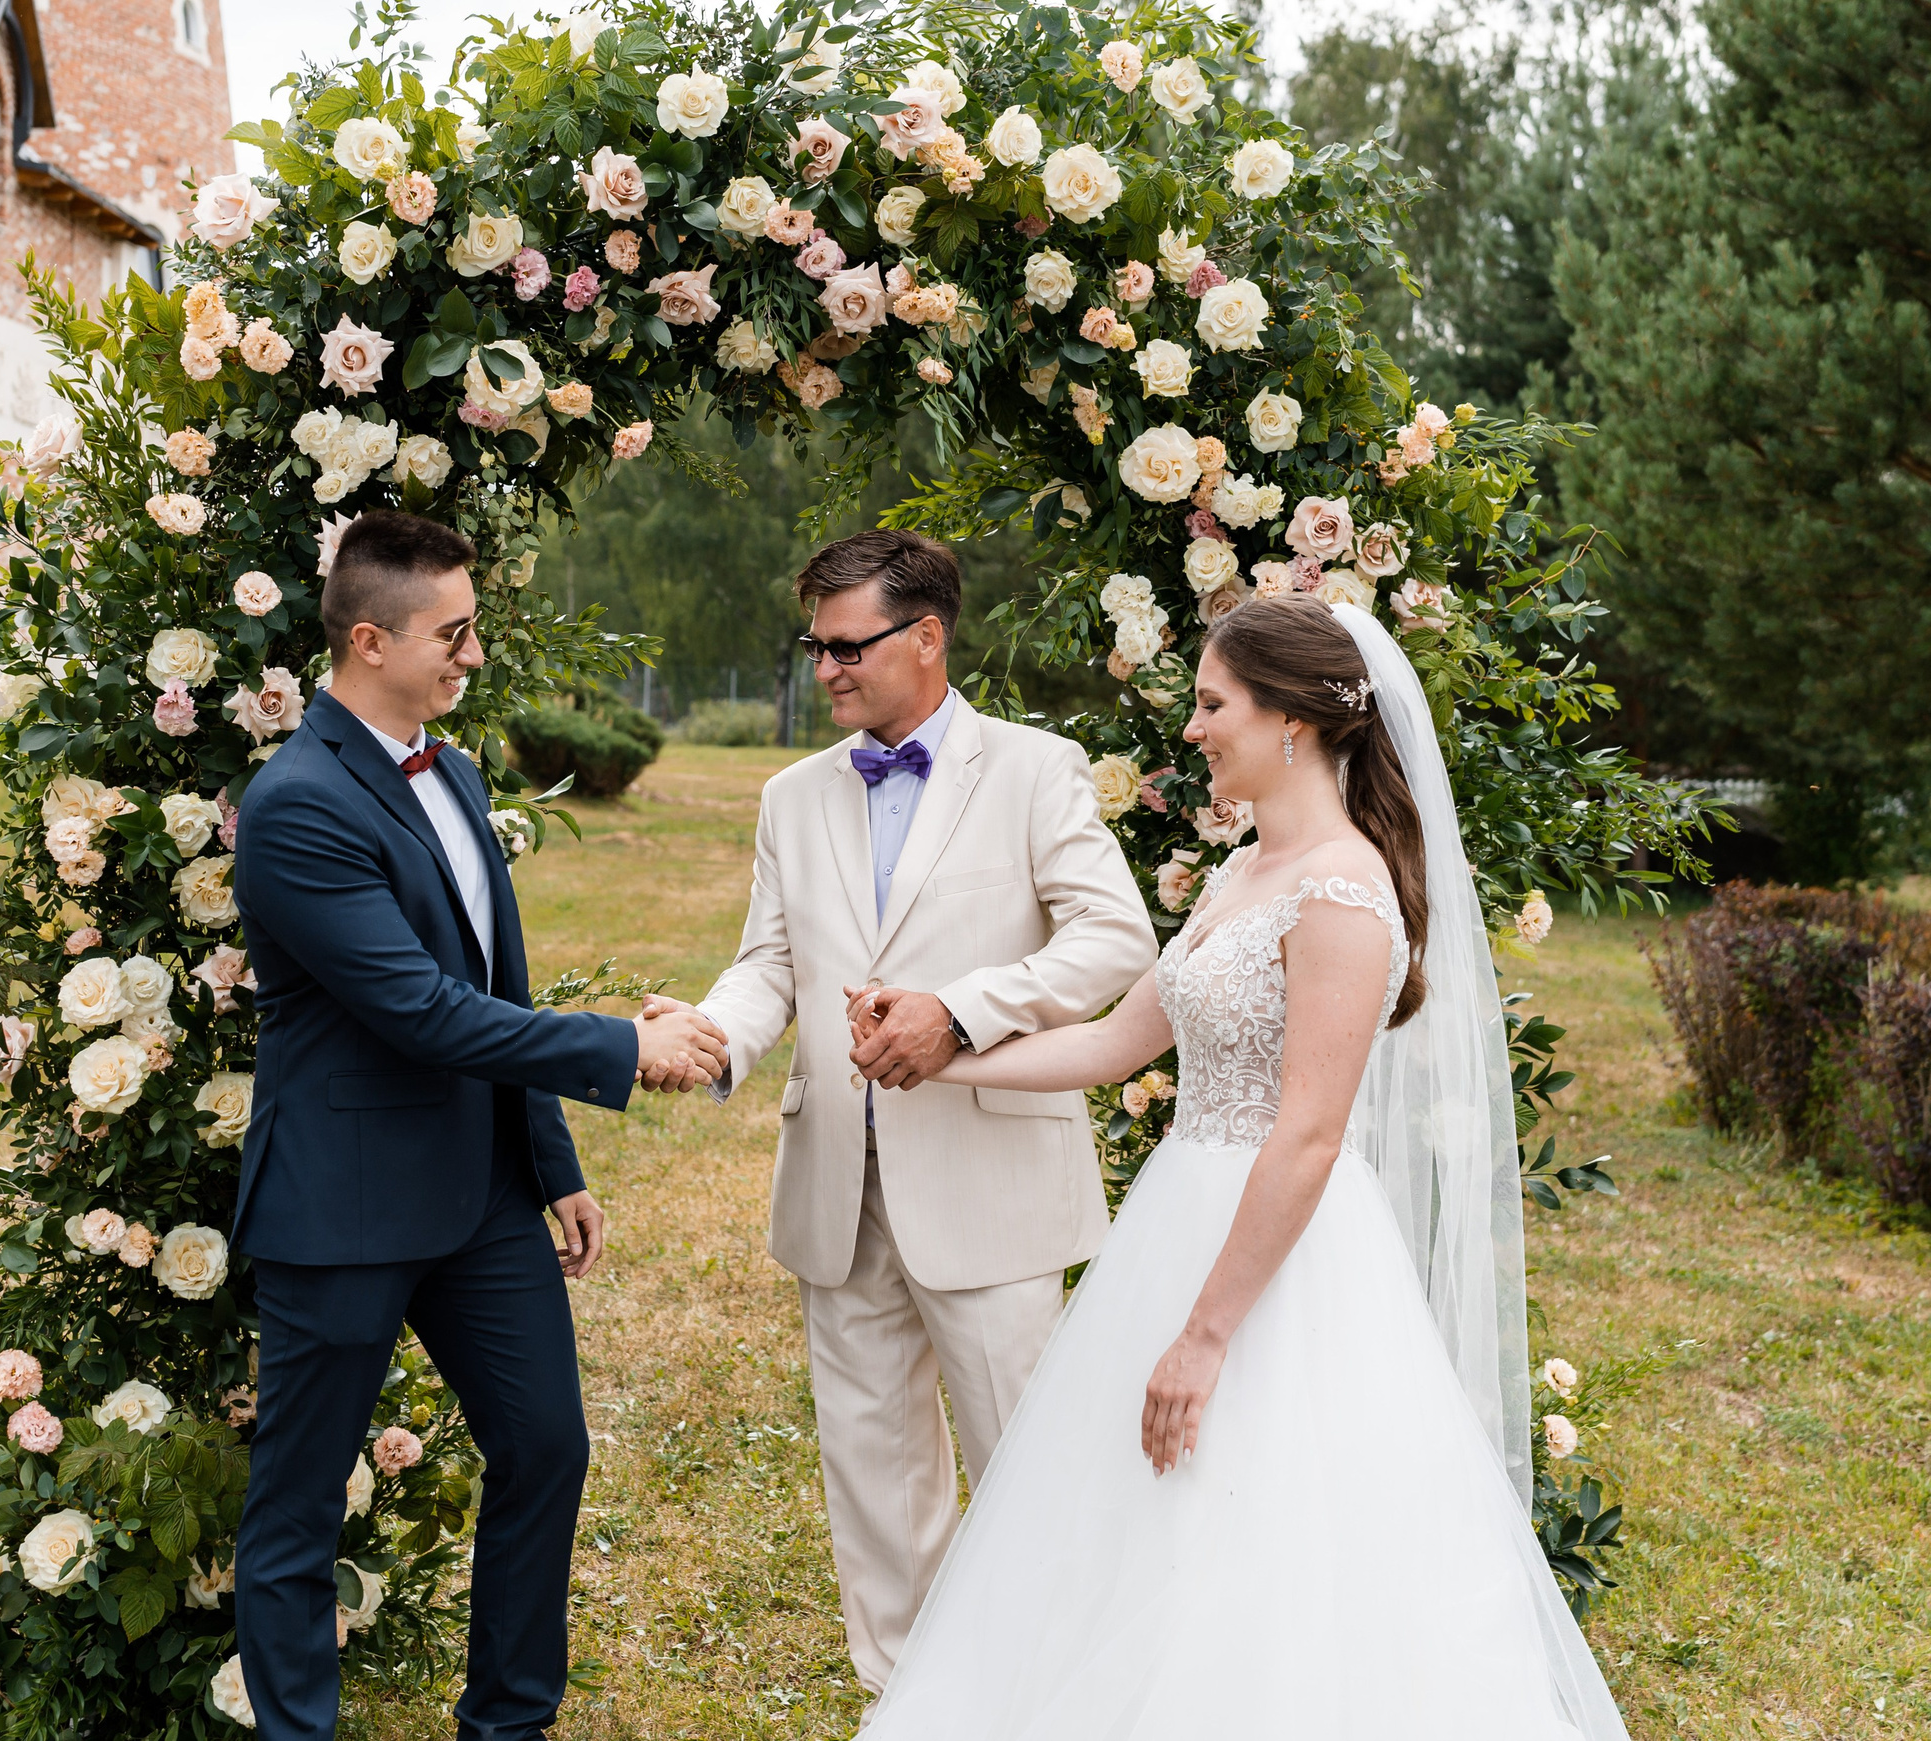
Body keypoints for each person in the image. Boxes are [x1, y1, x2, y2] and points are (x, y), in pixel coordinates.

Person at [847, 595, 1629, 1740]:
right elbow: (1118, 1043)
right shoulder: (1244, 874)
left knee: (1269, 1543)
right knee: (1135, 1536)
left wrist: (1205, 1335)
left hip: (1280, 1269)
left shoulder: (1344, 894)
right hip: (1179, 1228)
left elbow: (1307, 1135)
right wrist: (940, 1051)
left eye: (1214, 705)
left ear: (1293, 721)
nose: (1196, 729)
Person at [230, 510, 727, 1741]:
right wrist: (624, 1045)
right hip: (340, 1208)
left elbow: (494, 983)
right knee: (297, 1511)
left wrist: (549, 1160)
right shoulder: (293, 804)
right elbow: (420, 1012)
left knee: (547, 1448)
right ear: (367, 639)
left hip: (480, 1197)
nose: (473, 655)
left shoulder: (453, 771)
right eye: (452, 634)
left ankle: (507, 1724)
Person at [642, 528, 1159, 1704]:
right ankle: (912, 1706)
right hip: (836, 1188)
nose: (823, 668)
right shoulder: (790, 795)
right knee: (874, 1480)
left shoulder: (1033, 768)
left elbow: (1113, 938)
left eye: (844, 645)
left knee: (1026, 1463)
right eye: (813, 646)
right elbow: (770, 960)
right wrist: (716, 1034)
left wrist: (962, 1014)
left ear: (925, 637)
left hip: (991, 1188)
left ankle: (1056, 1705)